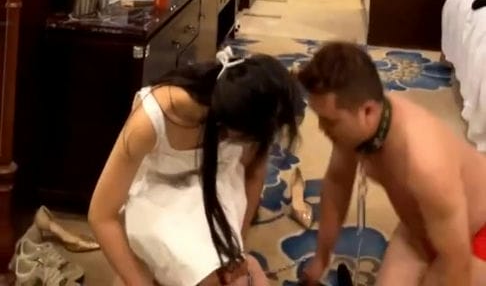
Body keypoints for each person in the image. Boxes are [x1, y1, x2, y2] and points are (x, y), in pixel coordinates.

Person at [88, 47, 303, 286]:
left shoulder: (246, 121)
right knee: (197, 271)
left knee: (231, 278)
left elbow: (254, 174)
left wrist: (239, 248)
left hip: (219, 183)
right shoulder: (152, 119)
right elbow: (101, 216)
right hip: (156, 194)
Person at [297, 41, 486, 286]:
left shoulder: (425, 162)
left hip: (477, 232)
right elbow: (336, 185)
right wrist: (322, 258)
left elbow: (456, 264)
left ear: (367, 111)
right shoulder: (356, 129)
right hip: (421, 229)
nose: (322, 128)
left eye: (330, 121)